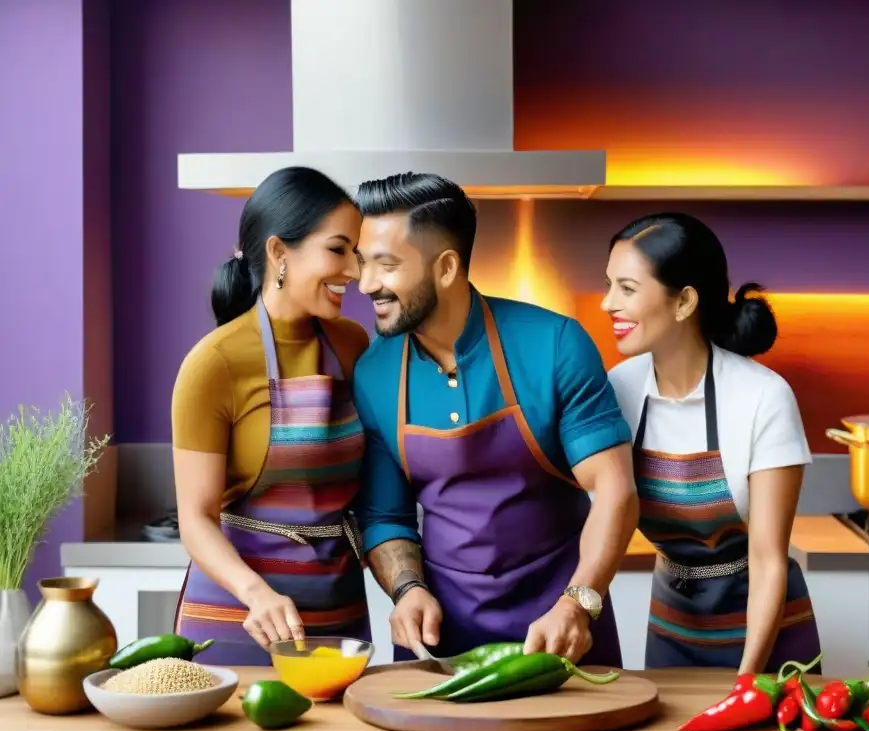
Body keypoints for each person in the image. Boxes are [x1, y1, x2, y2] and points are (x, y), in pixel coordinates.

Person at [351, 172, 638, 666]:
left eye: (386, 265)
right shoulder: (375, 373)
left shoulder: (554, 344)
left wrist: (579, 603)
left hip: (561, 629)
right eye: (362, 264)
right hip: (439, 642)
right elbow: (385, 516)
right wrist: (406, 590)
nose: (366, 284)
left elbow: (614, 492)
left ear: (445, 267)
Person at [601, 212, 822, 673]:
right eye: (609, 285)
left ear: (683, 301)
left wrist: (747, 682)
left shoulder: (763, 396)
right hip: (672, 624)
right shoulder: (618, 388)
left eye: (626, 288)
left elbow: (767, 560)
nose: (608, 304)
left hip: (764, 631)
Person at [171, 166, 371, 665]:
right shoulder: (213, 363)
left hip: (336, 613)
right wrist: (255, 593)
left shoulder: (353, 344)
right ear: (280, 252)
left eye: (357, 253)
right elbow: (196, 520)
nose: (354, 271)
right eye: (338, 249)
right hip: (238, 618)